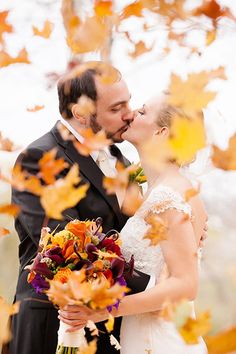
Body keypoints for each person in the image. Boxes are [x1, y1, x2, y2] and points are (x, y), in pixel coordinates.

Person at [7, 62, 152, 354]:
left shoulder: (119, 158)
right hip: (53, 324)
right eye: (116, 108)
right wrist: (155, 284)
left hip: (108, 325)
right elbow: (68, 249)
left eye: (129, 103)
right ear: (82, 114)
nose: (129, 114)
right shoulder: (40, 159)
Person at [59, 95, 208, 353]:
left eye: (142, 111)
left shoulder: (169, 195)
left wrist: (103, 310)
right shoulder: (158, 190)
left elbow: (186, 285)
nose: (130, 114)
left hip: (160, 341)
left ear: (162, 132)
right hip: (144, 335)